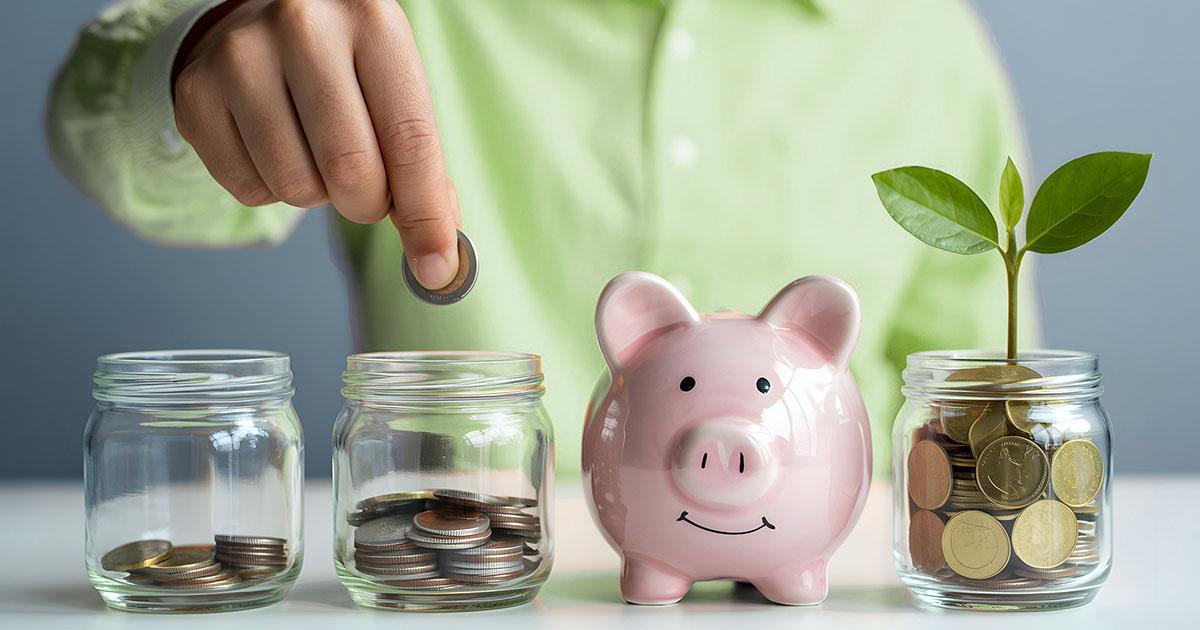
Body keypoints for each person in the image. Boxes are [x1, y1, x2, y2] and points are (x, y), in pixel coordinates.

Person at [47, 0, 1037, 474]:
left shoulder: (925, 40)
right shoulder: (381, 14)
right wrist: (196, 63)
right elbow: (113, 156)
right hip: (461, 577)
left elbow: (980, 398)